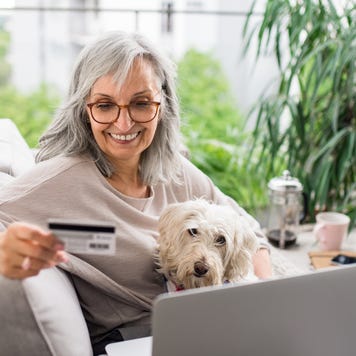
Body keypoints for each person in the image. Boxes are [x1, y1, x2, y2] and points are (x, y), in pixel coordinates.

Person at [0, 31, 272, 354]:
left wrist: (265, 302)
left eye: (141, 103)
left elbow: (251, 233)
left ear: (162, 105)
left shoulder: (174, 171)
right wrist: (6, 246)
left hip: (203, 325)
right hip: (131, 340)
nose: (124, 123)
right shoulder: (62, 180)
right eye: (105, 105)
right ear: (84, 109)